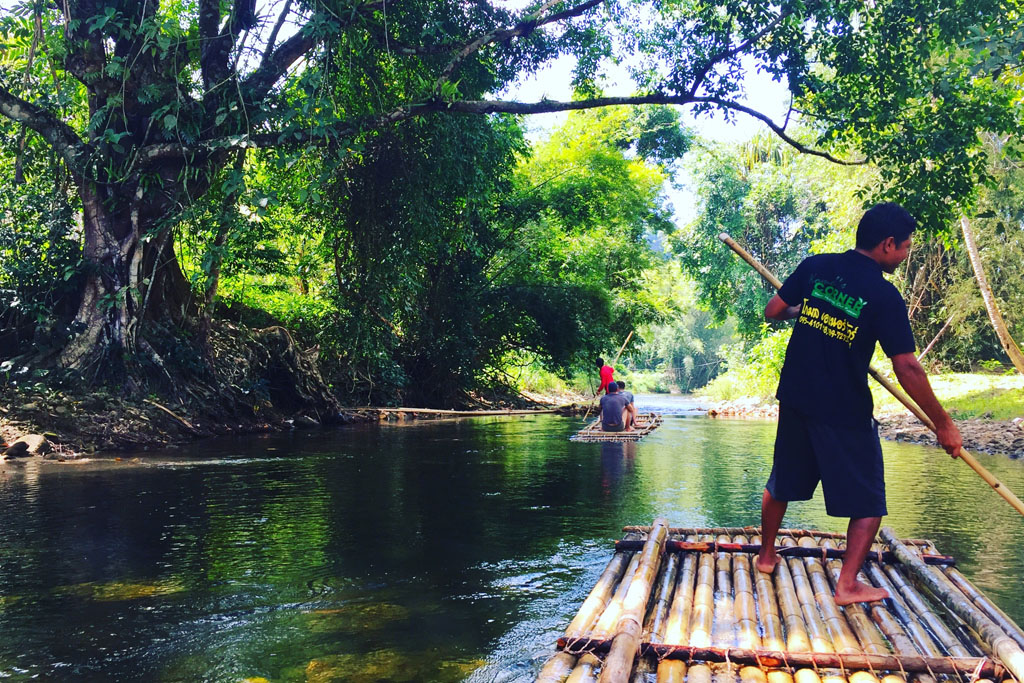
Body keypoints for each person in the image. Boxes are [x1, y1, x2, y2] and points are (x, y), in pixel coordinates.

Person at [755, 202, 962, 606]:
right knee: (869, 500)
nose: (904, 255)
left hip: (795, 395)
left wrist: (806, 309)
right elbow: (907, 366)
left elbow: (774, 311)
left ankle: (766, 557)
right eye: (904, 248)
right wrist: (943, 423)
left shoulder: (815, 266)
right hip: (843, 408)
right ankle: (847, 585)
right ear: (887, 245)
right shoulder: (884, 295)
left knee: (782, 481)